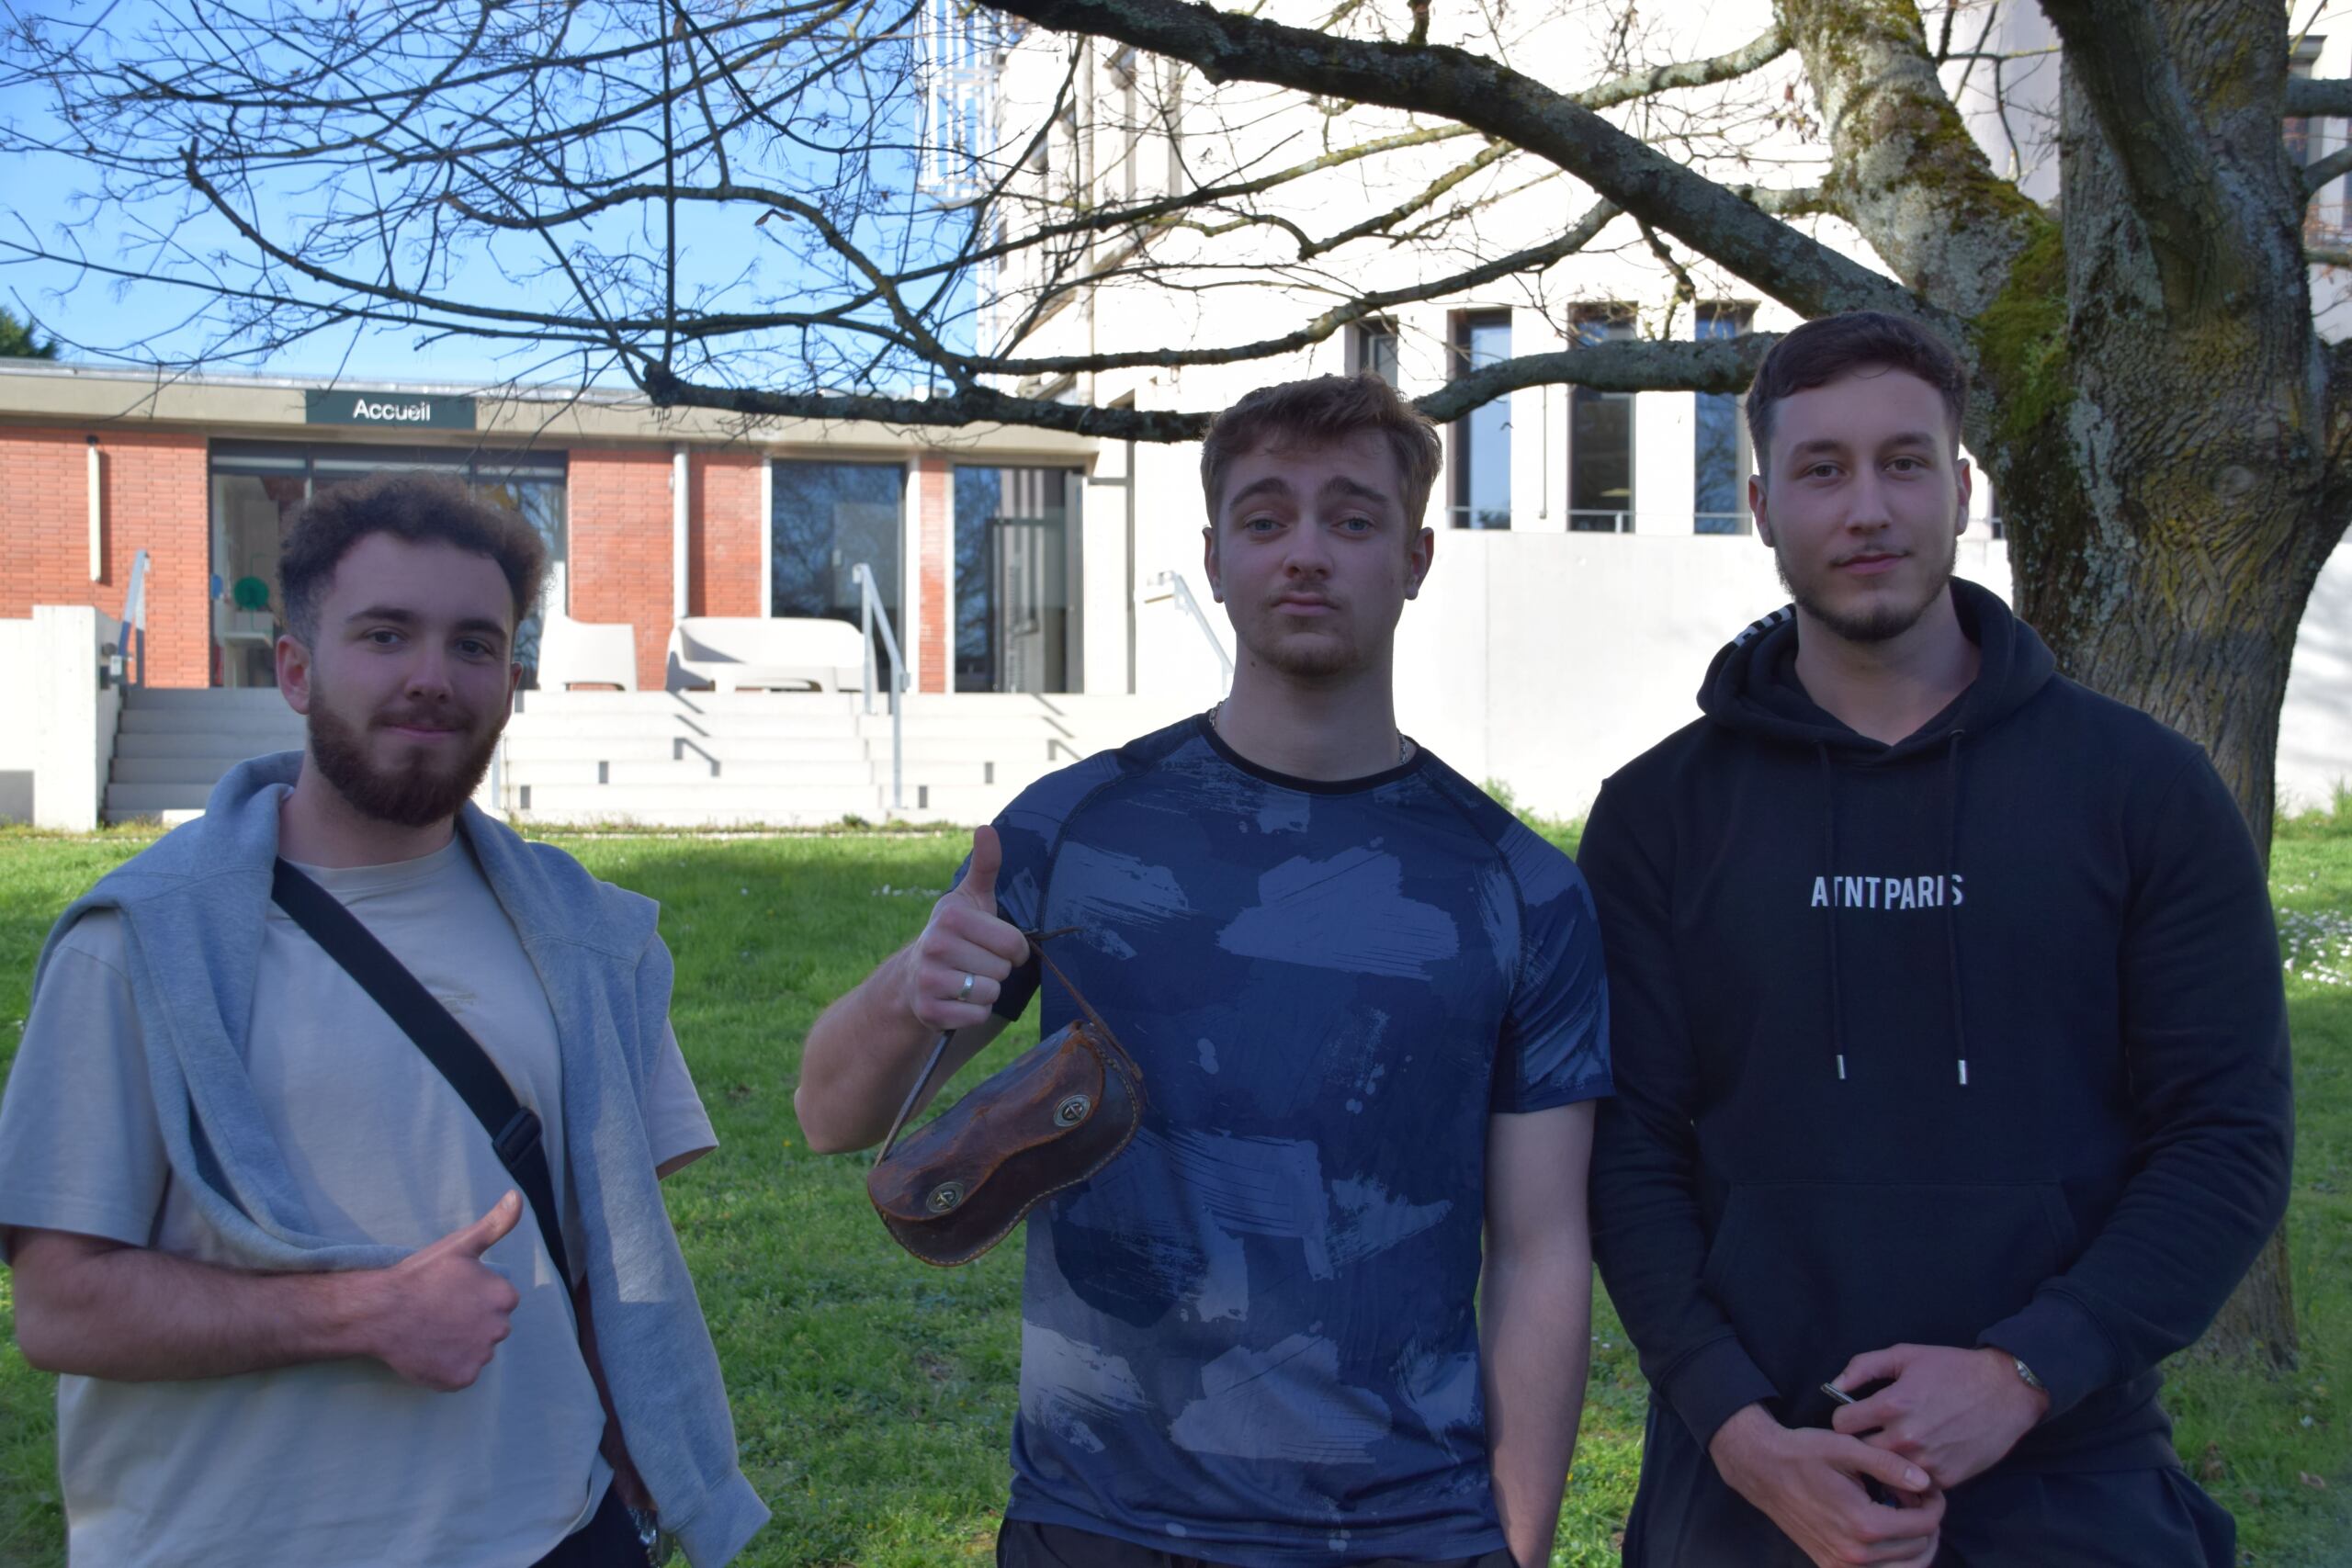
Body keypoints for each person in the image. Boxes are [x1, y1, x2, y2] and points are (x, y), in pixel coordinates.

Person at [797, 372, 1611, 1568]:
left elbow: (1541, 1249)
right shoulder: (1072, 831)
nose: (1306, 552)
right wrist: (913, 980)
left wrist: (1521, 1546)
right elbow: (829, 1112)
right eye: (1265, 518)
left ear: (1415, 557)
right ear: (1216, 557)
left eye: (1352, 518)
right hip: (1096, 1519)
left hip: (1405, 1527)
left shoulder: (1517, 887)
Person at [1578, 310, 2294, 1568]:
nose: (1868, 508)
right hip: (1751, 1483)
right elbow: (1624, 1150)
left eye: (1903, 463)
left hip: (2070, 1479)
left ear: (1961, 490)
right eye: (1822, 469)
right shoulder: (1658, 815)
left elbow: (2226, 1136)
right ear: (1762, 505)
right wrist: (1734, 1426)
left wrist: (2030, 1368)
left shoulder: (2142, 791)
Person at [0, 474, 767, 1568]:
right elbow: (62, 1307)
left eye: (473, 645)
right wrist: (359, 1314)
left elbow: (602, 1243)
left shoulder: (589, 939)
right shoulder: (136, 945)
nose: (431, 678)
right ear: (295, 669)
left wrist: (632, 1462)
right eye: (384, 635)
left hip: (551, 1532)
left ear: (510, 683)